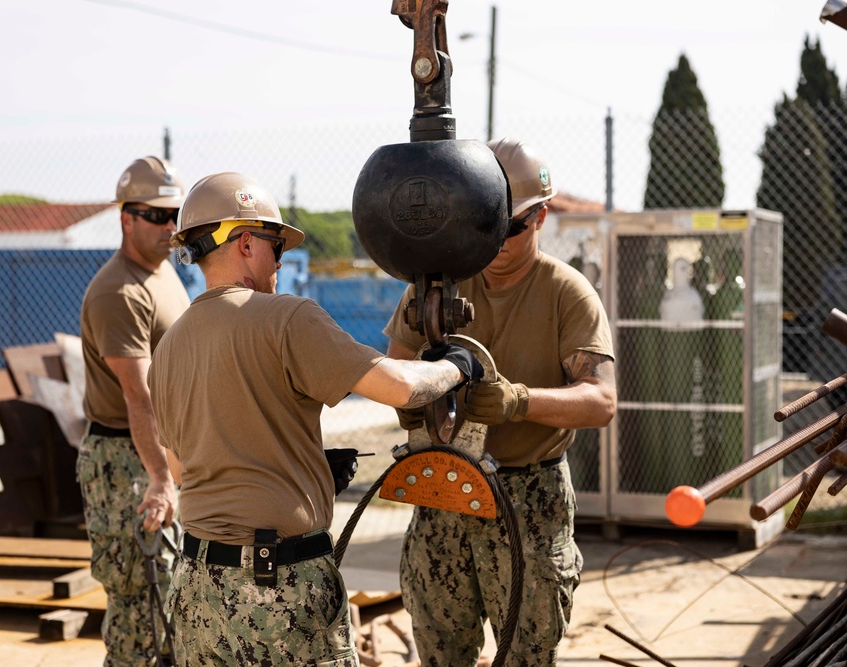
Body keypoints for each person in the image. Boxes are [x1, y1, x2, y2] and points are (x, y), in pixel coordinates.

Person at [147, 171, 483, 667]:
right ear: (244, 243)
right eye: (276, 247)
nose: (280, 263)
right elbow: (400, 387)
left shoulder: (169, 347)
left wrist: (298, 466)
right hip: (278, 590)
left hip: (198, 591)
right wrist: (457, 366)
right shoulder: (287, 318)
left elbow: (184, 469)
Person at [383, 138, 617, 667]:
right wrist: (412, 398)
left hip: (528, 500)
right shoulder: (436, 286)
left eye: (507, 226)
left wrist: (519, 402)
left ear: (540, 216)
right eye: (481, 222)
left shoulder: (567, 293)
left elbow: (601, 401)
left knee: (527, 653)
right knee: (441, 651)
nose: (493, 240)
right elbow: (396, 363)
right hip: (445, 488)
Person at [78, 155, 190, 666]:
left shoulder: (163, 272)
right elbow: (138, 395)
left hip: (158, 454)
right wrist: (161, 479)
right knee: (138, 606)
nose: (171, 226)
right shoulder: (118, 291)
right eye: (158, 216)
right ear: (127, 217)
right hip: (128, 460)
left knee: (169, 595)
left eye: (175, 215)